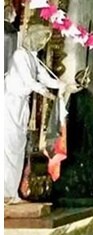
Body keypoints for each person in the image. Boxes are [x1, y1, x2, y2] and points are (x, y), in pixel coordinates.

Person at [4, 26, 59, 201]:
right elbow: (29, 81)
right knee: (7, 148)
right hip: (10, 103)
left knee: (18, 150)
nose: (43, 44)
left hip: (22, 107)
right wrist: (46, 92)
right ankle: (4, 192)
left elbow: (47, 78)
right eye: (41, 39)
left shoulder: (34, 59)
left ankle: (12, 192)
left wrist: (65, 86)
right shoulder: (20, 55)